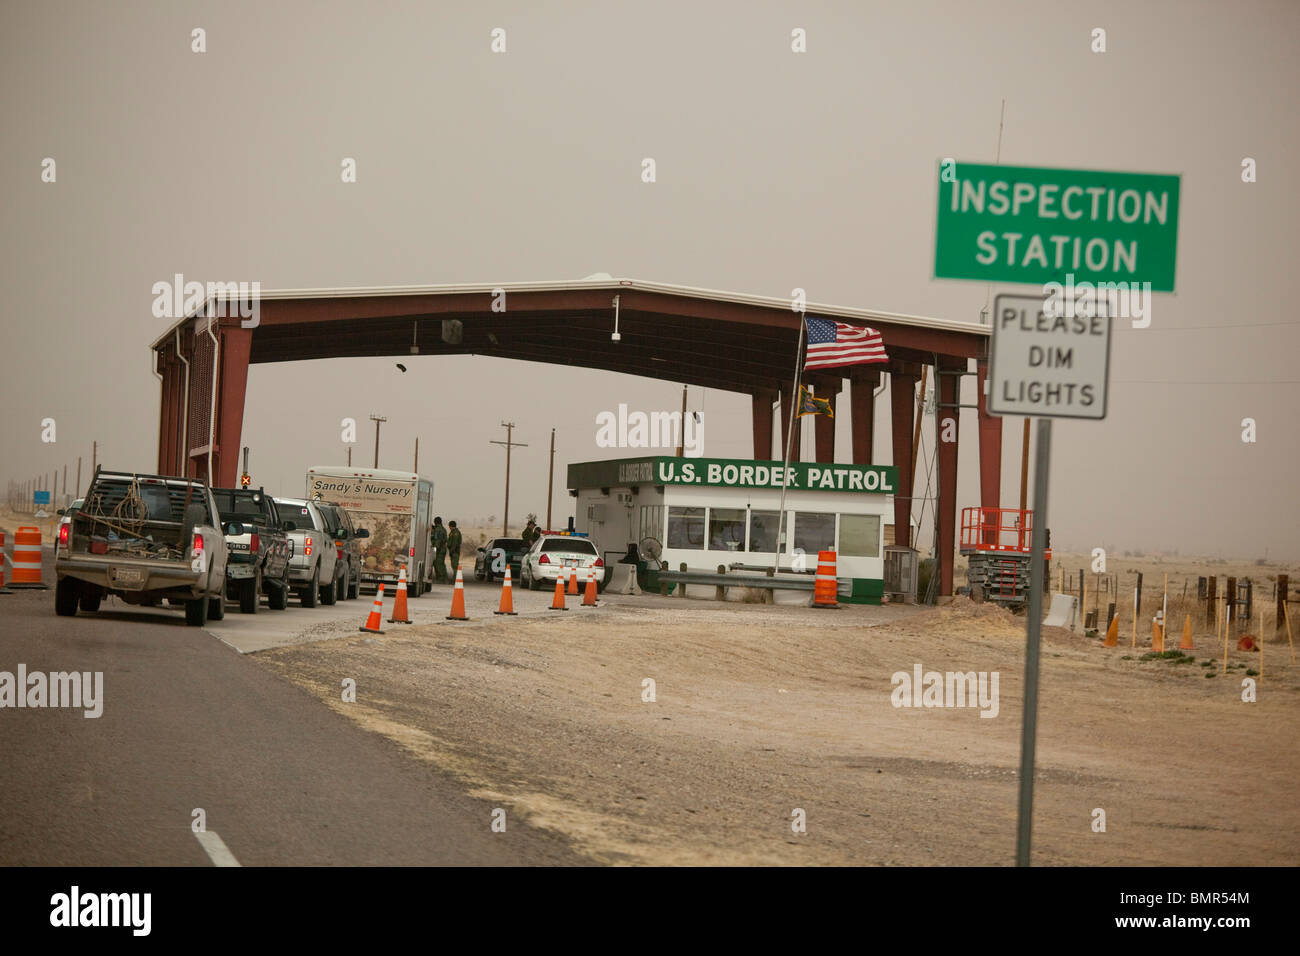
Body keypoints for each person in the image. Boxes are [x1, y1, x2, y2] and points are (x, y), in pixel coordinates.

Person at [430, 516, 448, 583]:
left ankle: (442, 579)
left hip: (439, 550)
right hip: (442, 549)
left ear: (435, 522)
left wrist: (435, 550)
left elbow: (438, 540)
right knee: (441, 564)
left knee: (438, 564)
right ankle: (443, 578)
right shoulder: (443, 529)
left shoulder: (438, 530)